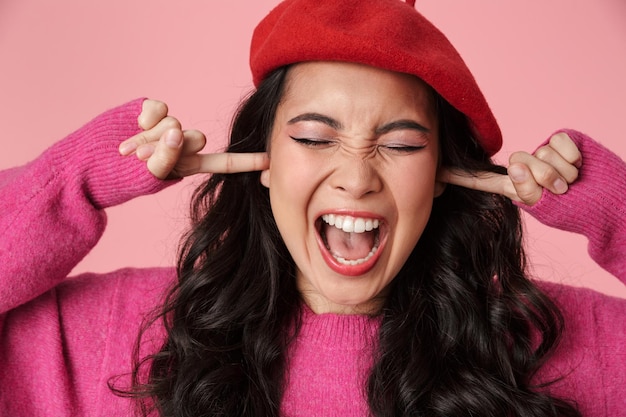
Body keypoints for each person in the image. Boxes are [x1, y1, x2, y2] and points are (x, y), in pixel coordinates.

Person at [1, 0, 624, 416]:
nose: (356, 179)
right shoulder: (131, 331)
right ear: (261, 161)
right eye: (312, 138)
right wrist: (73, 180)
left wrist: (612, 209)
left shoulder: (544, 344)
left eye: (402, 143)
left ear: (443, 175)